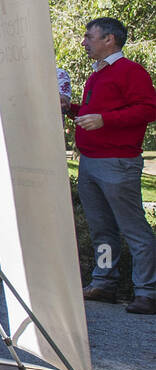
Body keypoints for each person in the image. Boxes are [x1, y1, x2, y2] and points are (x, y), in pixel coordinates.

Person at [64, 17, 156, 314]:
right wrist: (72, 110)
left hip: (117, 162)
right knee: (102, 229)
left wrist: (105, 120)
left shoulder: (131, 71)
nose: (84, 42)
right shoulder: (96, 75)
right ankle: (104, 281)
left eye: (89, 36)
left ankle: (146, 291)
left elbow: (148, 109)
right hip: (90, 162)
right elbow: (99, 111)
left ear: (109, 40)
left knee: (133, 228)